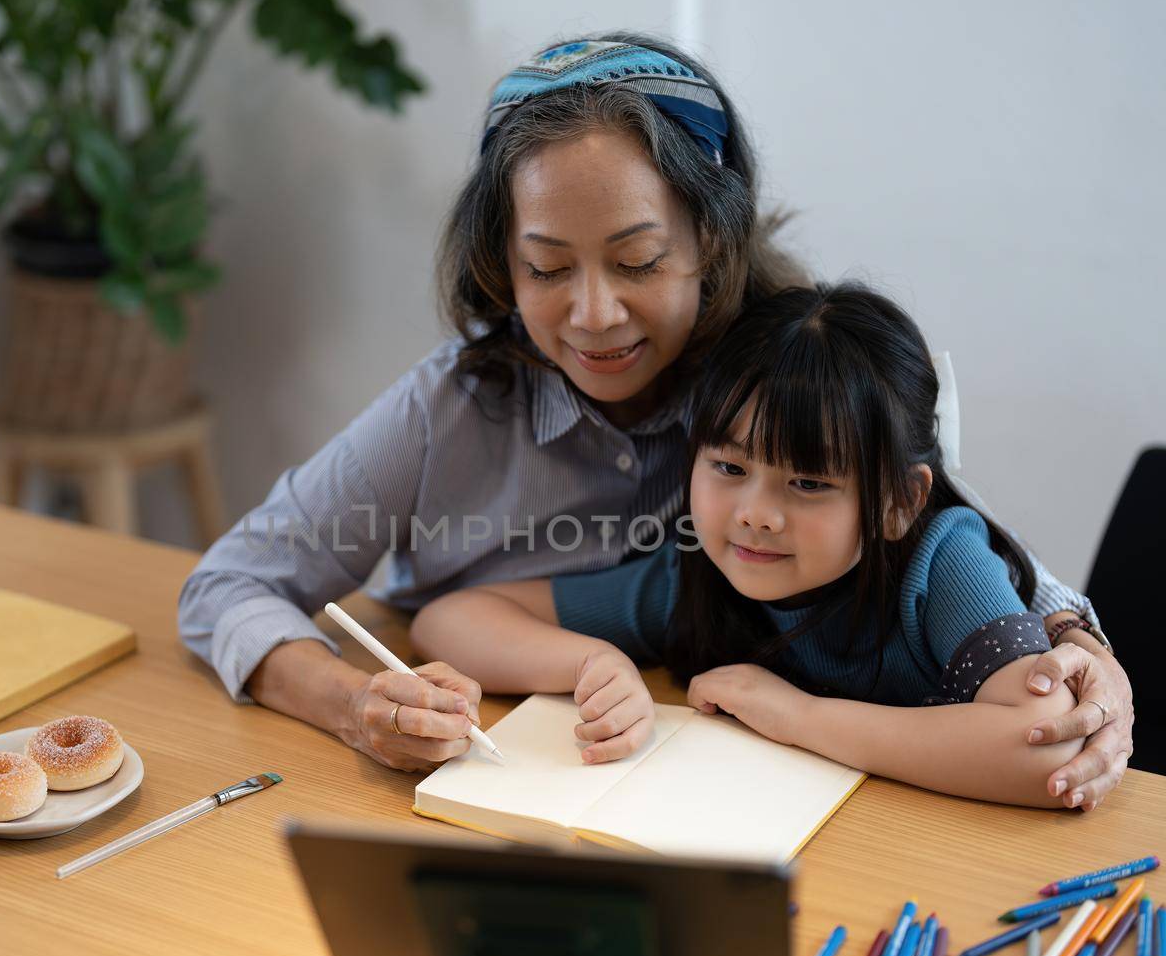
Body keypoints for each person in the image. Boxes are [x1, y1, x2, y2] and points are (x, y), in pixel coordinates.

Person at [178, 34, 1132, 809]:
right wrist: (354, 706)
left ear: (713, 243)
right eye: (547, 269)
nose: (592, 315)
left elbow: (939, 522)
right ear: (499, 263)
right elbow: (227, 585)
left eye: (637, 261)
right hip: (489, 755)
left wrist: (1076, 642)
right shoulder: (453, 405)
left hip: (751, 771)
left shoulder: (765, 372)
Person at [412, 284, 1091, 807]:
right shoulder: (699, 575)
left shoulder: (944, 562)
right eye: (729, 468)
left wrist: (798, 716)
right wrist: (592, 660)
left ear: (898, 501)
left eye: (807, 482)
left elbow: (1041, 751)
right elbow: (448, 620)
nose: (756, 515)